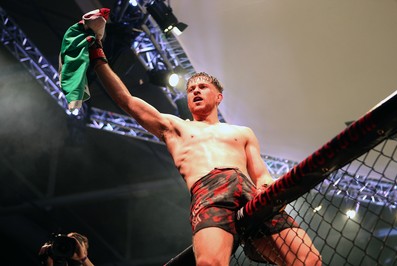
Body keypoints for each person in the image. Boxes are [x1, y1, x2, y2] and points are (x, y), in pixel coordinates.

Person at [89, 41, 322, 265]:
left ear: (218, 97)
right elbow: (128, 102)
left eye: (203, 87)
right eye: (191, 90)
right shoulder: (177, 128)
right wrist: (98, 57)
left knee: (309, 261)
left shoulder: (242, 132)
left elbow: (260, 174)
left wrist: (268, 189)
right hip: (210, 191)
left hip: (252, 194)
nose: (196, 91)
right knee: (211, 263)